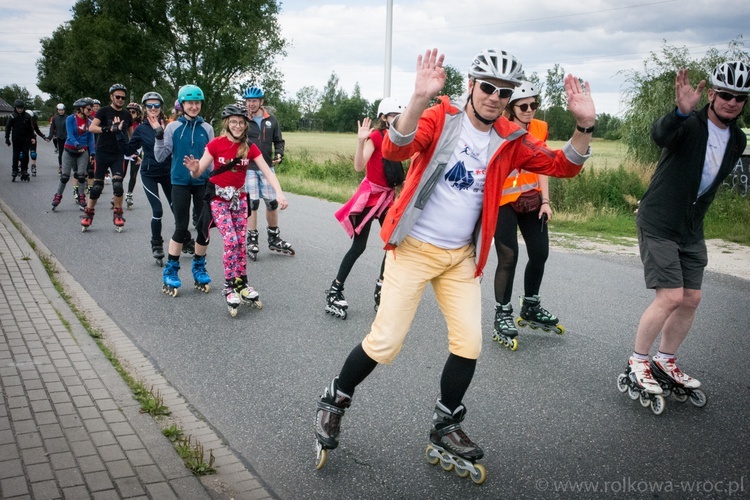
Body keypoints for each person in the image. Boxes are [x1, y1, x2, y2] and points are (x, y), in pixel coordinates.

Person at [313, 48, 595, 476]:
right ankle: (335, 398)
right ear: (470, 84)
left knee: (469, 343)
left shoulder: (509, 137)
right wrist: (418, 98)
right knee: (385, 343)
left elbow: (563, 165)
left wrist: (584, 125)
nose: (495, 97)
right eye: (487, 87)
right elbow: (394, 148)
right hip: (413, 249)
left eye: (504, 92)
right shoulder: (441, 118)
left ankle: (445, 424)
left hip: (460, 258)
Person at [621, 61, 749, 402]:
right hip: (660, 220)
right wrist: (678, 112)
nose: (732, 102)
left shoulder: (737, 138)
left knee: (692, 297)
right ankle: (638, 361)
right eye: (725, 94)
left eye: (740, 98)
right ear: (712, 94)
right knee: (671, 296)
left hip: (691, 227)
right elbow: (659, 135)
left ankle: (665, 361)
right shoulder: (689, 123)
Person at [184, 104, 288, 315]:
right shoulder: (215, 145)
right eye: (233, 122)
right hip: (218, 199)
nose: (238, 126)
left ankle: (242, 282)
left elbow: (268, 171)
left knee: (241, 242)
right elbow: (198, 172)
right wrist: (195, 170)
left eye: (241, 122)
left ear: (245, 125)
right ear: (227, 124)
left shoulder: (249, 147)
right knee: (230, 240)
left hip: (239, 200)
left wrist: (279, 192)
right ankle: (229, 286)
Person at [491, 81, 562, 351]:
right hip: (503, 201)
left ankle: (531, 305)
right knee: (509, 257)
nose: (530, 109)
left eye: (534, 104)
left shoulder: (540, 128)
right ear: (511, 108)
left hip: (532, 198)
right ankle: (502, 312)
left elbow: (543, 164)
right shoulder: (499, 128)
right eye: (524, 106)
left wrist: (546, 200)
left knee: (540, 252)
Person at [324, 97, 404, 319]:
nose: (398, 120)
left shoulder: (398, 140)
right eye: (393, 116)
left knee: (393, 243)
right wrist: (361, 142)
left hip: (387, 198)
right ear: (383, 118)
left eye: (400, 116)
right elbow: (359, 166)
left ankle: (382, 287)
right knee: (359, 247)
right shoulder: (376, 136)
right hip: (370, 197)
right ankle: (335, 289)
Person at [154, 84, 214, 296]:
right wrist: (159, 137)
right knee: (181, 228)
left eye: (197, 103)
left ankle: (199, 266)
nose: (194, 106)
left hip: (202, 183)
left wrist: (215, 179)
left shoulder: (207, 128)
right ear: (182, 105)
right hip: (179, 182)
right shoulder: (172, 128)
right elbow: (161, 156)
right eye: (190, 103)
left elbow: (211, 159)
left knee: (204, 227)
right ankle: (171, 271)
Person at [116, 92, 172, 265]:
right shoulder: (140, 129)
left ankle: (183, 239)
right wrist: (119, 133)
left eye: (156, 105)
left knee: (177, 208)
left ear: (161, 107)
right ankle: (157, 245)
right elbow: (127, 150)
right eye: (149, 106)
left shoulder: (169, 126)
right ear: (145, 109)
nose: (153, 109)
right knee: (158, 210)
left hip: (168, 172)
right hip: (149, 173)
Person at [242, 86, 294, 260]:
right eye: (248, 101)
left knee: (272, 203)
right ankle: (252, 239)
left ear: (261, 102)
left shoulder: (271, 119)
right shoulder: (242, 120)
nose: (251, 104)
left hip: (267, 167)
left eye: (254, 101)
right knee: (252, 203)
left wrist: (279, 153)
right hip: (248, 167)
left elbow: (279, 140)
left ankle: (273, 237)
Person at [84, 84, 133, 231]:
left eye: (123, 98)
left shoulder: (127, 115)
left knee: (118, 185)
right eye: (117, 97)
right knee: (97, 187)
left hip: (118, 154)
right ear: (111, 96)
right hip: (102, 152)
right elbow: (92, 128)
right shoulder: (104, 111)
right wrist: (108, 129)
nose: (120, 100)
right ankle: (88, 214)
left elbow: (131, 135)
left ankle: (118, 214)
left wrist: (134, 151)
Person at [51, 98, 95, 211]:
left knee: (81, 176)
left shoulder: (89, 121)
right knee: (65, 176)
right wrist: (77, 145)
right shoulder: (71, 119)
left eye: (91, 109)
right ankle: (58, 196)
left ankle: (81, 198)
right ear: (81, 109)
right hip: (69, 150)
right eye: (89, 109)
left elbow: (91, 138)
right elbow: (70, 135)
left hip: (82, 153)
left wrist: (92, 153)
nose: (91, 111)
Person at [4, 99, 35, 182]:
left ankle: (24, 170)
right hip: (16, 138)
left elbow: (31, 128)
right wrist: (7, 138)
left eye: (21, 108)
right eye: (18, 108)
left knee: (25, 155)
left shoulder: (27, 116)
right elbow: (8, 128)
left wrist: (32, 137)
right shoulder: (12, 116)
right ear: (15, 108)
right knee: (16, 155)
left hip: (26, 139)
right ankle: (14, 170)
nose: (20, 110)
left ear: (23, 108)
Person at [124, 102, 144, 208]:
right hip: (124, 151)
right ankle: (116, 194)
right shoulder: (123, 124)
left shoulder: (140, 126)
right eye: (129, 112)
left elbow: (141, 140)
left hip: (137, 151)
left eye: (133, 112)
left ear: (138, 114)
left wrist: (136, 152)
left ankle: (129, 194)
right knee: (120, 175)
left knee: (133, 175)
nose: (131, 114)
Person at [26, 109, 50, 177]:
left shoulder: (33, 122)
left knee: (33, 154)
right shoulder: (22, 122)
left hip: (32, 139)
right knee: (22, 154)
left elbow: (37, 131)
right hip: (24, 140)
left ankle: (33, 166)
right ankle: (20, 166)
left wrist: (44, 137)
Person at [48, 103, 68, 175]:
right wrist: (50, 137)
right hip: (59, 138)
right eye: (59, 110)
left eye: (62, 110)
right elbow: (52, 128)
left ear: (64, 110)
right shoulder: (55, 118)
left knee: (69, 153)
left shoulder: (67, 118)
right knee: (61, 153)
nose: (61, 111)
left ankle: (70, 166)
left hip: (67, 138)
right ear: (57, 110)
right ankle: (61, 166)